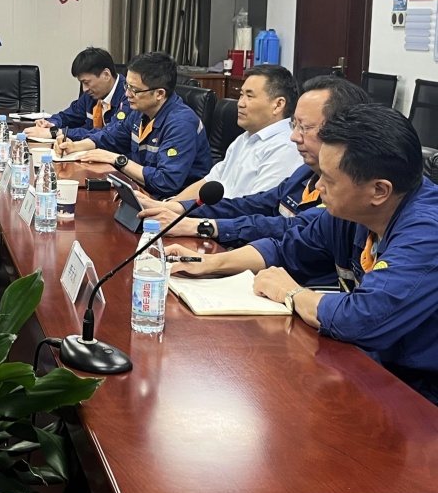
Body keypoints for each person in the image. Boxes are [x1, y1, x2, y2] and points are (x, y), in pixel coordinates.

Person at [167, 104, 438, 404]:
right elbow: (287, 248)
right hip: (370, 370)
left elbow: (362, 318)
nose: (318, 187)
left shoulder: (427, 233)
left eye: (329, 180)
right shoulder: (352, 212)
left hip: (421, 396)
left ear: (379, 191)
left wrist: (292, 293)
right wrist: (213, 263)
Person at [137, 76, 369, 252]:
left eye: (305, 128)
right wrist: (176, 208)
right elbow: (250, 204)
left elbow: (285, 228)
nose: (295, 137)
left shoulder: (341, 192)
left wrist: (199, 226)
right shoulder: (303, 173)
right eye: (295, 126)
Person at [55, 52, 212, 198]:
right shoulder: (140, 112)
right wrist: (75, 146)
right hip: (141, 191)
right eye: (127, 86)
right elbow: (110, 136)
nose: (127, 94)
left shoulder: (181, 124)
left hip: (175, 203)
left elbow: (166, 182)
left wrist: (118, 160)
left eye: (134, 90)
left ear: (159, 94)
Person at [167, 64, 301, 201]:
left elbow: (256, 207)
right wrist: (169, 205)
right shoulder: (245, 138)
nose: (240, 103)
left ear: (278, 105)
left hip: (228, 214)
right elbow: (210, 181)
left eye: (249, 96)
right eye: (241, 95)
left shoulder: (285, 148)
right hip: (212, 211)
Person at [24, 46, 129, 141]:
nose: (84, 89)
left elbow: (109, 134)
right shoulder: (91, 95)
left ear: (106, 75)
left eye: (86, 82)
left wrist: (56, 132)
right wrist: (51, 124)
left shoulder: (128, 97)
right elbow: (68, 116)